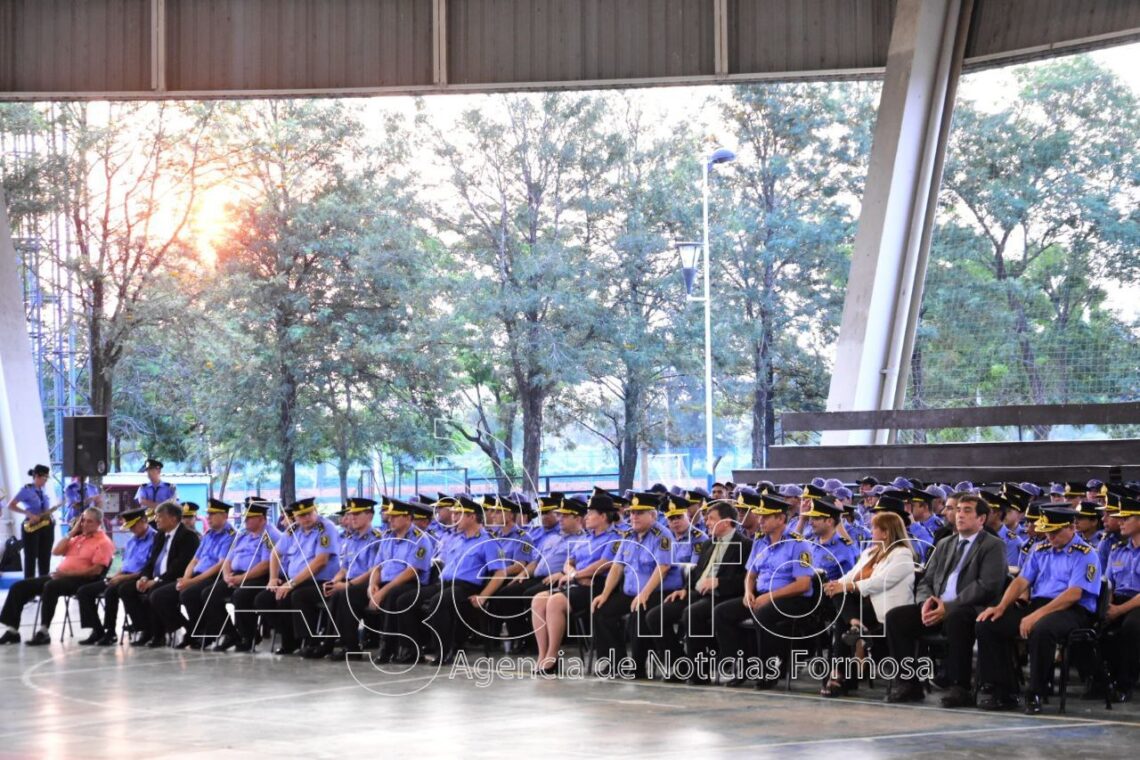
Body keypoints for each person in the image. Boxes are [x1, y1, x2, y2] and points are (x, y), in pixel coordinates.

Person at [975, 506, 1102, 714]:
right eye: (1047, 531)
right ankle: (1004, 690)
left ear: (1071, 528)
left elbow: (1074, 594)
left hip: (1071, 610)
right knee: (987, 624)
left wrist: (1035, 616)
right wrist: (1001, 607)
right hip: (1039, 605)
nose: (1049, 536)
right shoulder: (1040, 550)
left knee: (1042, 630)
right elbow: (1021, 581)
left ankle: (1036, 692)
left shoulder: (1086, 554)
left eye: (1054, 532)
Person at [883, 493, 1007, 705]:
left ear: (981, 519)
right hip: (936, 606)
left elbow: (987, 585)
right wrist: (925, 604)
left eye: (967, 511)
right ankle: (908, 683)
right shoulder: (944, 543)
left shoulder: (993, 545)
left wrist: (949, 606)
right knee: (896, 617)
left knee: (957, 618)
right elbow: (925, 580)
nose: (960, 515)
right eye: (958, 510)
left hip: (969, 608)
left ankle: (960, 686)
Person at [713, 491, 815, 690]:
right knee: (721, 613)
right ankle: (740, 666)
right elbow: (750, 574)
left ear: (780, 518)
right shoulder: (760, 541)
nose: (760, 520)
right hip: (762, 595)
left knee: (762, 614)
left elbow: (803, 584)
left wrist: (770, 596)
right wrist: (747, 592)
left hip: (792, 598)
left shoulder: (798, 543)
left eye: (765, 516)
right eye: (759, 515)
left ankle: (767, 671)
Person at [652, 499, 752, 684]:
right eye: (706, 520)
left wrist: (719, 582)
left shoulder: (745, 545)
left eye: (712, 519)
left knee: (692, 613)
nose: (707, 523)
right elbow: (697, 573)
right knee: (655, 616)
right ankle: (681, 665)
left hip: (722, 595)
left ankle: (699, 671)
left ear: (727, 521)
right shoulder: (708, 544)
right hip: (698, 593)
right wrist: (684, 590)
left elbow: (745, 580)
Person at [821, 511, 917, 697]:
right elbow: (851, 575)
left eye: (874, 528)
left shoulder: (902, 554)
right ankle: (855, 624)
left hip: (887, 609)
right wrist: (836, 585)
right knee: (839, 596)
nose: (870, 531)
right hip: (863, 607)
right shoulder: (869, 552)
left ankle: (840, 675)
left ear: (886, 532)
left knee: (843, 615)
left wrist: (848, 586)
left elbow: (883, 581)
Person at [530, 493, 621, 673]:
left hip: (598, 586)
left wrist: (575, 575)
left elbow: (604, 564)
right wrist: (574, 574)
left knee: (555, 602)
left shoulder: (614, 537)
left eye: (590, 513)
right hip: (579, 582)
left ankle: (552, 655)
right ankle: (542, 654)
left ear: (603, 516)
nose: (586, 517)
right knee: (538, 599)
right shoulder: (586, 538)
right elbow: (568, 562)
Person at [590, 491, 676, 678]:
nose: (634, 517)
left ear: (652, 515)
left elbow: (663, 567)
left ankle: (637, 667)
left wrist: (644, 593)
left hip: (655, 592)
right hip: (630, 592)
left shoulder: (662, 535)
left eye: (639, 513)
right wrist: (605, 594)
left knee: (640, 610)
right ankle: (614, 661)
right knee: (601, 609)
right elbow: (617, 566)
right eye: (631, 513)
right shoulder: (628, 534)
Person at [0, 507, 114, 646]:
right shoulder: (77, 538)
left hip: (83, 580)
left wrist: (66, 574)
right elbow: (56, 551)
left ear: (98, 523)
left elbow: (96, 571)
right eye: (82, 521)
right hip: (60, 576)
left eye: (89, 522)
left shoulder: (103, 542)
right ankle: (12, 631)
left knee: (51, 586)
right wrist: (72, 532)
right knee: (19, 586)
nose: (84, 524)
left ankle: (44, 631)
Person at [416, 496, 508, 665]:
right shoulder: (457, 540)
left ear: (472, 517)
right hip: (445, 584)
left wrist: (483, 597)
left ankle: (445, 651)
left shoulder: (487, 541)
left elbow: (500, 573)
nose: (454, 518)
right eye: (453, 514)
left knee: (439, 602)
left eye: (459, 514)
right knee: (409, 598)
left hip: (467, 588)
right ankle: (413, 647)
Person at [255, 497, 341, 657]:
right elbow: (275, 553)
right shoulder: (292, 530)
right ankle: (289, 639)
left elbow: (320, 561)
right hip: (296, 581)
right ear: (295, 516)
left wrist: (291, 583)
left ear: (315, 511)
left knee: (295, 596)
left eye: (309, 513)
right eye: (301, 515)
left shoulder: (325, 528)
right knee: (263, 599)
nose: (306, 518)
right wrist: (273, 578)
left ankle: (310, 641)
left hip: (320, 582)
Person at [355, 498, 434, 663]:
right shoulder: (387, 537)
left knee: (392, 597)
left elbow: (412, 571)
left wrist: (382, 591)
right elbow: (377, 567)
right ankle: (349, 644)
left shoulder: (420, 539)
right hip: (387, 582)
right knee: (350, 593)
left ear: (407, 517)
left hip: (411, 583)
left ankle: (388, 647)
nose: (389, 519)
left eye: (394, 516)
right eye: (389, 516)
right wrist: (372, 586)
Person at [156, 498, 237, 649]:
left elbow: (221, 565)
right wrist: (186, 579)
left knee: (189, 594)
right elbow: (194, 560)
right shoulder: (208, 534)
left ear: (225, 516)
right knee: (160, 596)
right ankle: (192, 630)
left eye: (213, 514)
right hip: (196, 576)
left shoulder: (230, 535)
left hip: (213, 576)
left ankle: (207, 633)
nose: (208, 517)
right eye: (208, 514)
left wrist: (191, 582)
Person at [118, 501, 201, 647]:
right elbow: (151, 561)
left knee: (156, 593)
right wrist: (144, 577)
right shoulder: (160, 535)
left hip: (177, 578)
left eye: (159, 516)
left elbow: (180, 566)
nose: (155, 520)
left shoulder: (188, 536)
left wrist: (156, 580)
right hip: (157, 577)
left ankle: (181, 630)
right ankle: (145, 629)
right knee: (126, 589)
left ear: (173, 519)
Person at [76, 506, 157, 645]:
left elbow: (148, 568)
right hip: (124, 575)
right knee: (84, 591)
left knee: (114, 591)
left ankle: (139, 630)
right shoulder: (132, 540)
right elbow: (125, 565)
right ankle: (100, 631)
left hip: (141, 577)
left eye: (134, 526)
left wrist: (121, 578)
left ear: (144, 520)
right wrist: (115, 576)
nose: (131, 530)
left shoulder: (155, 539)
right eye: (129, 527)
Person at [210, 499, 282, 652]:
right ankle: (231, 634)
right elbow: (228, 558)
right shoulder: (243, 535)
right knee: (209, 594)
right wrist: (227, 576)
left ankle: (249, 637)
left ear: (262, 519)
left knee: (241, 595)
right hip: (236, 576)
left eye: (249, 518)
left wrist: (241, 579)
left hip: (260, 577)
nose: (246, 520)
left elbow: (265, 565)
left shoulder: (269, 535)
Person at [323, 497, 382, 659]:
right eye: (351, 514)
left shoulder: (376, 538)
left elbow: (372, 570)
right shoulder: (351, 539)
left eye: (357, 514)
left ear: (369, 515)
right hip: (352, 582)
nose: (352, 518)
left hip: (368, 584)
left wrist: (348, 585)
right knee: (335, 594)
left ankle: (352, 647)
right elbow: (345, 567)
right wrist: (335, 580)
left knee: (345, 595)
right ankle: (328, 644)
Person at [1103, 495, 1140, 701]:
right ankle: (1099, 679)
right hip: (1119, 598)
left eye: (1126, 518)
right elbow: (1108, 583)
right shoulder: (1117, 550)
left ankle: (1125, 684)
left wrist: (1118, 610)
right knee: (1096, 623)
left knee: (1131, 628)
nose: (1121, 522)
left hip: (1137, 602)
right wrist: (1107, 606)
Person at [6, 464, 58, 579]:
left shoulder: (42, 490)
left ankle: (42, 586)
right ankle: (28, 590)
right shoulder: (26, 490)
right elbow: (11, 505)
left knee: (45, 557)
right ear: (36, 476)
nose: (45, 481)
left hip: (46, 525)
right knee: (30, 558)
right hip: (32, 525)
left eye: (46, 479)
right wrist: (28, 514)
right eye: (44, 478)